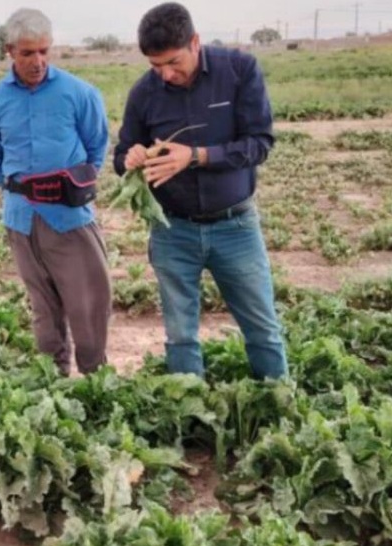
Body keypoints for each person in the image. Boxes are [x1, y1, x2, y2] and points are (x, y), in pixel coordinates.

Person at [113, 2, 288, 380]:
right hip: (173, 231)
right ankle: (190, 420)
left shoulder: (239, 71)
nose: (166, 74)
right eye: (155, 66)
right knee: (180, 336)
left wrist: (195, 156)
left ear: (195, 42)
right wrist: (132, 158)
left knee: (262, 328)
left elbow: (260, 143)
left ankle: (278, 410)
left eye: (173, 62)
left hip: (235, 226)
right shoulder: (144, 93)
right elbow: (121, 154)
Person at [0, 8, 111, 375]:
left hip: (69, 217)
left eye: (44, 51)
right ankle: (52, 380)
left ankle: (93, 380)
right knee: (43, 308)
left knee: (88, 304)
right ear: (9, 51)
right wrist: (20, 191)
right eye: (27, 53)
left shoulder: (79, 93)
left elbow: (97, 146)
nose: (37, 61)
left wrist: (72, 188)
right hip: (21, 219)